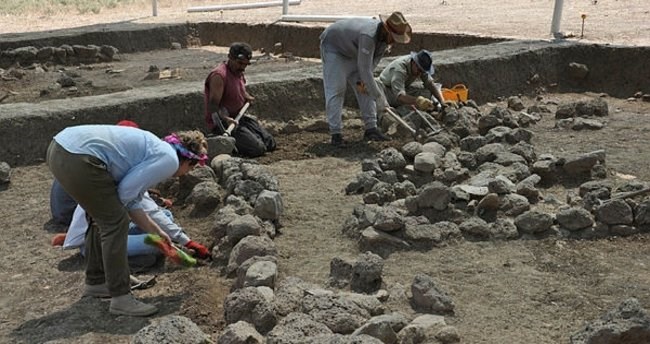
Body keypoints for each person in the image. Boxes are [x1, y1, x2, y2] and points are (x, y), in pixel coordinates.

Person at [46, 124, 208, 317]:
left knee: (105, 219)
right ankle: (121, 298)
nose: (187, 174)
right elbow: (126, 195)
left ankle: (97, 282)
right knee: (115, 222)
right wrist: (115, 218)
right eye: (192, 168)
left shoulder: (156, 149)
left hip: (62, 147)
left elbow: (133, 199)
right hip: (79, 157)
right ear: (187, 161)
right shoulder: (169, 160)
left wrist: (157, 231)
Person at [319, 11, 412, 146]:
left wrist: (369, 88)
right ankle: (336, 134)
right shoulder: (369, 35)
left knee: (365, 89)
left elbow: (370, 68)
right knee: (337, 89)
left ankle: (371, 128)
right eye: (394, 37)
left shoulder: (383, 42)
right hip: (335, 49)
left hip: (354, 53)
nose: (394, 41)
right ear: (386, 31)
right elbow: (365, 70)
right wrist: (379, 98)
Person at [204, 42, 276, 157]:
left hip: (239, 118)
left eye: (246, 64)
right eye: (240, 63)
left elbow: (239, 89)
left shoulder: (238, 72)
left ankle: (246, 140)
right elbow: (213, 106)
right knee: (258, 149)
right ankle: (233, 147)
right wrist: (226, 119)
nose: (243, 67)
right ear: (230, 58)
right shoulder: (219, 76)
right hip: (224, 123)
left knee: (270, 143)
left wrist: (246, 96)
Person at [376, 49, 449, 112]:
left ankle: (432, 107)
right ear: (414, 62)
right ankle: (389, 112)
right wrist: (418, 101)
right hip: (387, 91)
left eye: (422, 72)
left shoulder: (419, 68)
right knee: (377, 88)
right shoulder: (400, 69)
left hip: (403, 88)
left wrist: (442, 101)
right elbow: (400, 96)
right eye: (419, 70)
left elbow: (430, 84)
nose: (419, 74)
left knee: (427, 93)